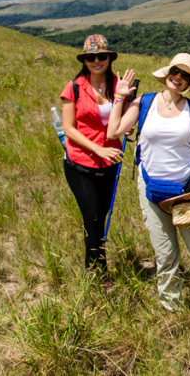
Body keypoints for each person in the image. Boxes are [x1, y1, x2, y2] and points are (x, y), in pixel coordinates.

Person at [108, 53, 190, 309]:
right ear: (168, 73)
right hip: (150, 186)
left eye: (186, 76)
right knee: (165, 253)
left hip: (186, 188)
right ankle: (171, 306)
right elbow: (114, 131)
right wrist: (120, 97)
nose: (179, 78)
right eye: (176, 71)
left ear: (189, 83)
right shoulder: (144, 102)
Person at [59, 34, 125, 278]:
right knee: (94, 219)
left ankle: (95, 269)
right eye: (91, 57)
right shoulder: (74, 87)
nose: (97, 61)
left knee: (101, 216)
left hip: (109, 164)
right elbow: (69, 128)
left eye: (102, 56)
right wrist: (97, 148)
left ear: (109, 58)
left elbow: (124, 118)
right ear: (84, 61)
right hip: (80, 163)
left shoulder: (119, 85)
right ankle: (98, 273)